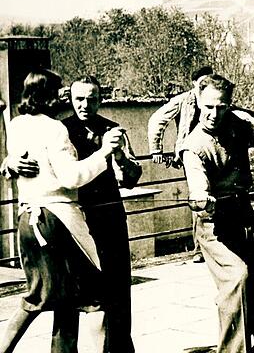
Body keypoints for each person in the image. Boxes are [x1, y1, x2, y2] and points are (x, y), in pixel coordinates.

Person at [0, 68, 124, 353]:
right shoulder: (56, 129)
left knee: (36, 296)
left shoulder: (17, 124)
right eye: (61, 92)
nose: (65, 98)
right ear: (50, 95)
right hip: (59, 220)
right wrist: (104, 152)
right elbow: (71, 178)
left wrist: (9, 163)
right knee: (96, 298)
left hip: (28, 221)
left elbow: (21, 161)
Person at [179, 74, 254, 353]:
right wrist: (201, 198)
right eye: (208, 107)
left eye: (221, 106)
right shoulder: (193, 146)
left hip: (244, 214)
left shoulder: (239, 125)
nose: (214, 114)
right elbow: (197, 184)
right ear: (197, 102)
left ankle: (246, 346)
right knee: (237, 278)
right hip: (214, 223)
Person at [59, 76, 142, 353]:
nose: (85, 104)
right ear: (70, 98)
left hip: (109, 219)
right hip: (74, 220)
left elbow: (132, 177)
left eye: (92, 99)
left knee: (117, 290)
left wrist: (119, 157)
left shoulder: (113, 129)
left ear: (100, 99)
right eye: (79, 98)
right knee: (71, 294)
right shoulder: (60, 130)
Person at [147, 65, 214, 263]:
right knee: (199, 196)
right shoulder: (184, 100)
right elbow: (157, 119)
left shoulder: (215, 98)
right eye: (201, 83)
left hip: (213, 152)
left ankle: (216, 244)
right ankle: (199, 248)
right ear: (194, 84)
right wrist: (156, 149)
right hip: (191, 155)